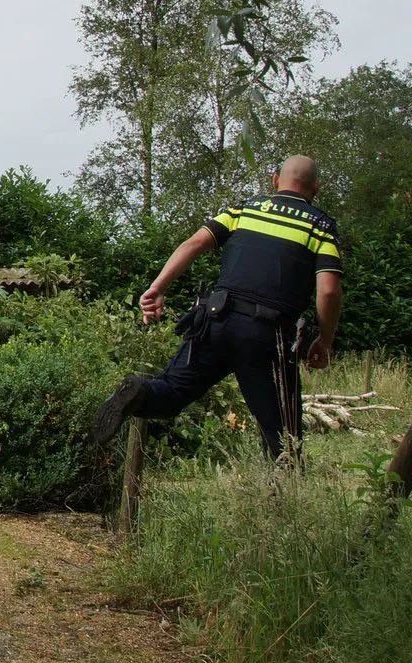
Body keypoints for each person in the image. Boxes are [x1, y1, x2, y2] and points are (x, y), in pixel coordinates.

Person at [93, 155, 346, 459]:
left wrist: (157, 288)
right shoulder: (320, 226)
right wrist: (325, 341)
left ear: (276, 181)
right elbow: (328, 291)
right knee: (283, 437)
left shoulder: (243, 209)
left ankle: (139, 392)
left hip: (214, 321)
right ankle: (282, 485)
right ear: (316, 188)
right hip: (266, 338)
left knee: (170, 394)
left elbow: (193, 244)